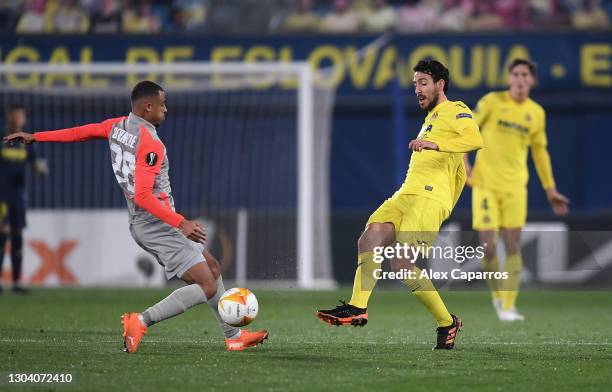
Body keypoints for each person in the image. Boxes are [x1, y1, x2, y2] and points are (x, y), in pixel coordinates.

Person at [3, 81, 268, 352]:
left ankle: (233, 335)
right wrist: (181, 222)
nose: (166, 109)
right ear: (147, 107)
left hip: (150, 221)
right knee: (207, 285)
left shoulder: (116, 126)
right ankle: (140, 320)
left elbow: (79, 133)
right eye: (162, 104)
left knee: (212, 268)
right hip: (158, 224)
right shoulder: (151, 143)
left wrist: (37, 136)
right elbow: (142, 195)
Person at [316, 59, 483, 350]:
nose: (417, 89)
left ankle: (447, 322)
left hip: (430, 198)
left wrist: (436, 145)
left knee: (401, 262)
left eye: (423, 83)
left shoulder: (456, 109)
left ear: (440, 84)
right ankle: (358, 307)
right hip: (405, 195)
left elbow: (475, 139)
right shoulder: (430, 119)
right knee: (369, 238)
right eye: (414, 83)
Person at [464, 59, 569, 322]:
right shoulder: (492, 101)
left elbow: (540, 153)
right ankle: (497, 296)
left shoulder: (536, 113)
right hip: (485, 185)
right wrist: (464, 165)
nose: (520, 79)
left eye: (525, 75)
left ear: (532, 81)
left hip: (515, 188)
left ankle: (508, 306)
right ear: (509, 78)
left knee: (513, 246)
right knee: (488, 249)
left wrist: (550, 190)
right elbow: (467, 131)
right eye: (516, 74)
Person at [0, 104, 48, 294]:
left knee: (17, 236)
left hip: (18, 197)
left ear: (24, 119)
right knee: (2, 235)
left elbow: (36, 165)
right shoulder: (3, 139)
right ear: (9, 118)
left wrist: (40, 169)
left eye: (20, 116)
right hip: (1, 196)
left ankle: (16, 282)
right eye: (14, 116)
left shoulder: (25, 143)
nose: (17, 120)